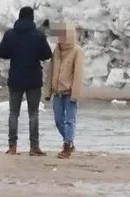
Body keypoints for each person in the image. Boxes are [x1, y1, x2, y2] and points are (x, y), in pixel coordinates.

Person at [0, 6, 53, 156]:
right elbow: (47, 55)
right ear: (32, 18)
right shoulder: (38, 35)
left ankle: (12, 146)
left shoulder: (10, 34)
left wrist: (13, 53)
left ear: (19, 17)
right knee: (33, 113)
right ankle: (34, 147)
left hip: (15, 79)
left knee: (13, 113)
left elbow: (1, 52)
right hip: (33, 79)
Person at [44, 23, 86, 159]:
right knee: (58, 120)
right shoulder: (56, 51)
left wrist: (75, 93)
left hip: (69, 92)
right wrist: (48, 91)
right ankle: (70, 141)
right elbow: (51, 71)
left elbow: (78, 74)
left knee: (69, 120)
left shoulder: (77, 51)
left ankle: (67, 145)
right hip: (57, 91)